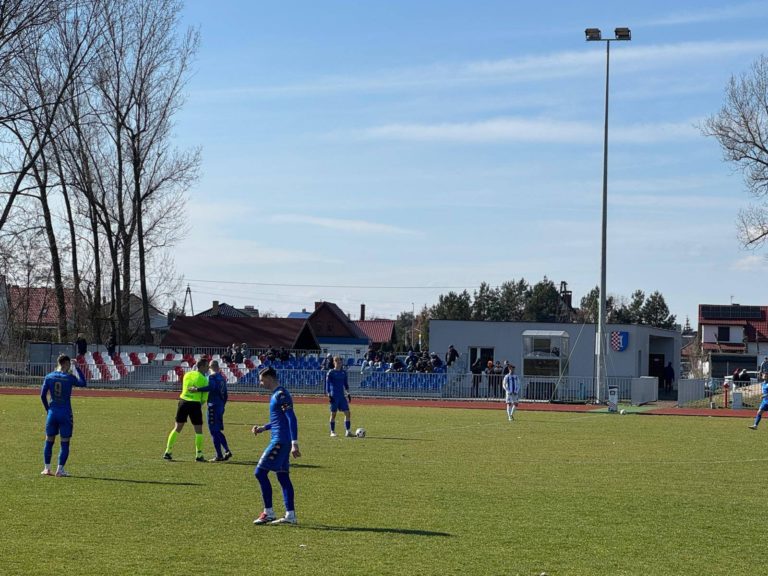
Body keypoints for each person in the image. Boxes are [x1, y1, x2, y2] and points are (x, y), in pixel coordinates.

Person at [252, 367, 301, 525]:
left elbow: (291, 418)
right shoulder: (276, 395)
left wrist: (295, 443)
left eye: (262, 380)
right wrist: (263, 428)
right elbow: (277, 420)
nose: (260, 383)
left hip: (280, 441)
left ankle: (268, 512)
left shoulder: (281, 395)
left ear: (270, 378)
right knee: (283, 477)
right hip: (281, 440)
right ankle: (290, 515)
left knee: (259, 473)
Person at [40, 354, 87, 477]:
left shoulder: (49, 376)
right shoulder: (69, 377)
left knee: (49, 440)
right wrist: (77, 368)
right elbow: (83, 383)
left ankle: (46, 468)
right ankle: (60, 470)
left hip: (52, 413)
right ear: (66, 363)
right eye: (70, 364)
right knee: (65, 442)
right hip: (65, 413)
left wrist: (47, 409)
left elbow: (42, 395)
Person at [163, 357, 210, 461]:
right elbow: (203, 399)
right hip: (195, 404)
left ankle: (168, 451)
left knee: (177, 428)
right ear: (201, 367)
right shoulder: (204, 380)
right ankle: (199, 454)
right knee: (198, 430)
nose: (208, 368)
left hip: (183, 402)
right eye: (207, 366)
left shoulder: (187, 375)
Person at [188, 360, 232, 462]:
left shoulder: (211, 377)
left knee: (213, 431)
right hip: (220, 406)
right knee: (217, 430)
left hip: (213, 406)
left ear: (210, 367)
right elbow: (225, 394)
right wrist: (223, 405)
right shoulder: (222, 378)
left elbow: (211, 387)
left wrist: (197, 389)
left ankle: (219, 455)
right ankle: (226, 450)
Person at [326, 356, 352, 437]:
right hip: (334, 396)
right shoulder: (330, 372)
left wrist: (348, 394)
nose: (339, 363)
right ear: (334, 362)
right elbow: (327, 385)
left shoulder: (344, 372)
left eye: (340, 361)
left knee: (347, 413)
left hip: (342, 396)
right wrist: (329, 395)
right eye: (337, 361)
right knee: (333, 414)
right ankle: (332, 432)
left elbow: (346, 384)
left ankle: (348, 431)